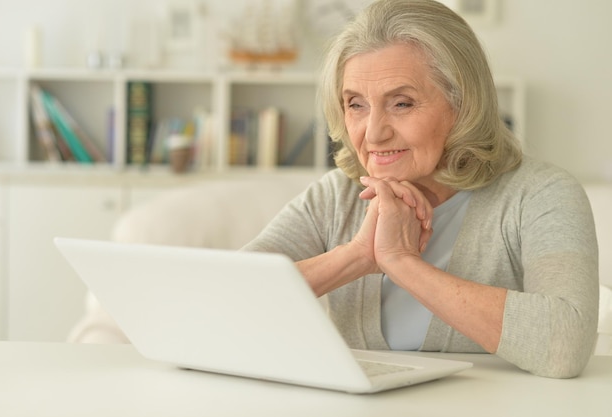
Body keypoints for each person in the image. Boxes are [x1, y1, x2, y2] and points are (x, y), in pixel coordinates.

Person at [241, 0, 599, 378]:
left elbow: (566, 345)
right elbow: (222, 297)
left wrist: (401, 262)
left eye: (401, 103)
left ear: (462, 104)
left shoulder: (540, 194)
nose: (374, 132)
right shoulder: (335, 196)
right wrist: (358, 256)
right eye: (356, 105)